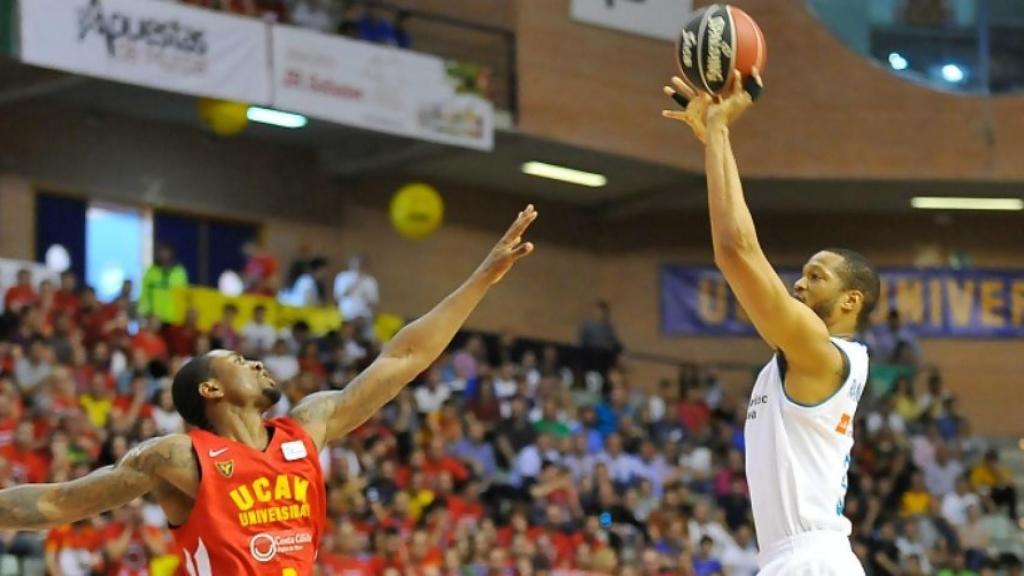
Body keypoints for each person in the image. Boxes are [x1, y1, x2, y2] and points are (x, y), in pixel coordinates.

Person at [0, 206, 538, 575]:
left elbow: (403, 358)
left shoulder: (307, 428)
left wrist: (481, 281)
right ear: (211, 388)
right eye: (238, 361)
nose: (255, 362)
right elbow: (56, 501)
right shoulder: (177, 458)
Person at [664, 70, 878, 575]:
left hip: (811, 561)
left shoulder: (822, 356)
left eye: (815, 276)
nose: (798, 285)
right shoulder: (799, 358)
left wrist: (717, 133)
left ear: (851, 301)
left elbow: (736, 251)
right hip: (794, 559)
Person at [139, 244, 188, 324]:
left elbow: (183, 295)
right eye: (161, 252)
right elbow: (144, 294)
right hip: (154, 318)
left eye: (166, 251)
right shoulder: (151, 272)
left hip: (174, 318)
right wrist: (145, 312)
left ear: (171, 253)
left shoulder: (179, 272)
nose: (163, 254)